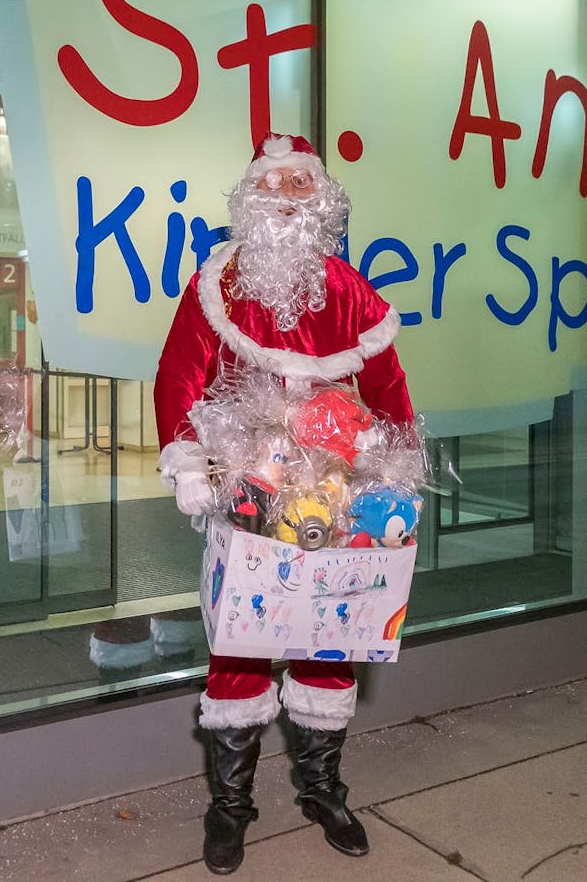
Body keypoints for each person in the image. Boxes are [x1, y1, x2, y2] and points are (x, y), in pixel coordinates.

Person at [153, 133, 413, 874]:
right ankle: (231, 803)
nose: (291, 196)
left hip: (336, 489)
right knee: (240, 636)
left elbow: (389, 381)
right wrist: (186, 459)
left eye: (305, 184)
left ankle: (322, 786)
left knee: (332, 630)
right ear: (252, 197)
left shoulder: (350, 288)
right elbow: (178, 375)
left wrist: (398, 461)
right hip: (246, 484)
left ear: (323, 202)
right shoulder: (216, 288)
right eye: (279, 184)